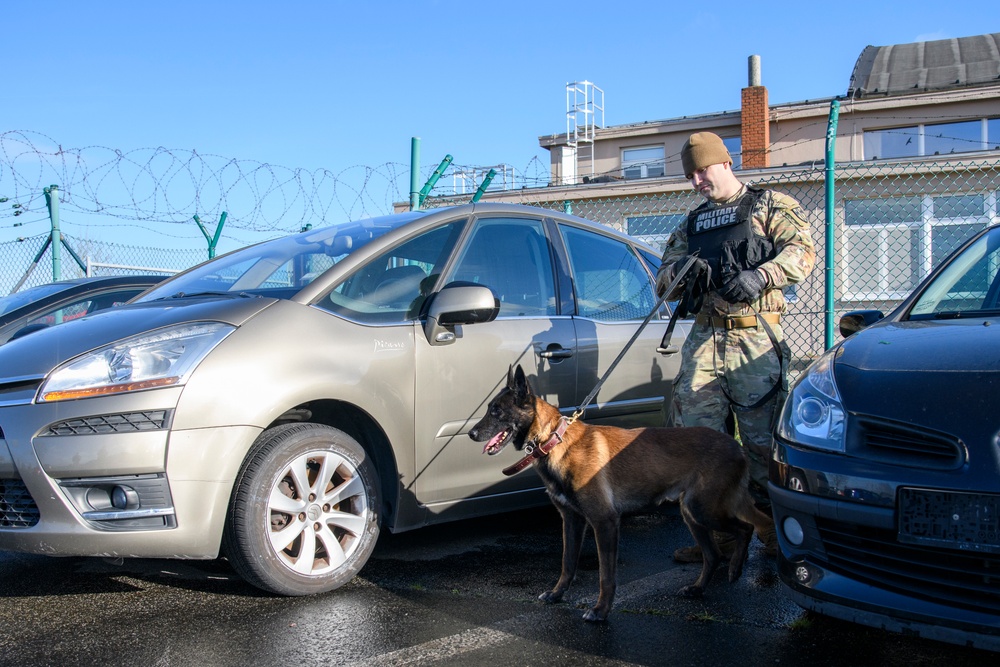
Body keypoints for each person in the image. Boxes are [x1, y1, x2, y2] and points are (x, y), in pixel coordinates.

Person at [656, 132, 816, 562]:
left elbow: (803, 253)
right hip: (706, 339)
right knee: (697, 441)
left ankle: (774, 535)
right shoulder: (692, 223)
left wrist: (760, 277)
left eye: (702, 171)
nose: (696, 182)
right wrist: (683, 277)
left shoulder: (770, 206)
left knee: (763, 442)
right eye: (690, 175)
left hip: (754, 337)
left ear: (725, 164)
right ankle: (719, 538)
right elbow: (663, 280)